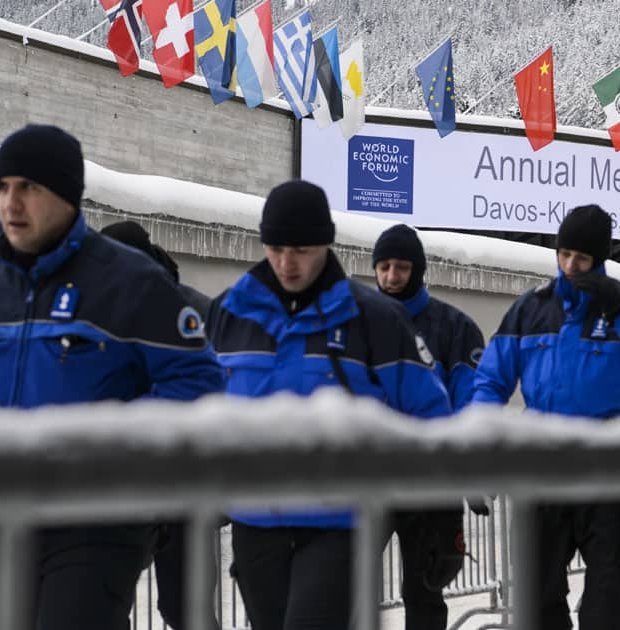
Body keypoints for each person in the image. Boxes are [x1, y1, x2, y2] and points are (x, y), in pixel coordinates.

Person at [0, 124, 226, 630]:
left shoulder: (130, 283)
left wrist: (115, 444)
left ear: (65, 195)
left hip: (97, 519)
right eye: (2, 188)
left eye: (29, 188)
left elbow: (197, 384)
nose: (11, 202)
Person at [205, 179, 452, 630]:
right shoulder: (230, 313)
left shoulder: (376, 320)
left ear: (325, 242)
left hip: (340, 521)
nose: (286, 262)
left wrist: (440, 509)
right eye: (276, 247)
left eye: (300, 249)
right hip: (255, 518)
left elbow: (428, 413)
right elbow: (197, 406)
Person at [472, 204, 620, 630]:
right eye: (564, 254)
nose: (570, 266)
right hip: (542, 472)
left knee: (605, 607)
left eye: (582, 259)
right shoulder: (530, 309)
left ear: (600, 259)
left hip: (608, 474)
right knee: (536, 604)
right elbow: (490, 383)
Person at [100, 219, 215, 630]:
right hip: (120, 488)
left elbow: (211, 390)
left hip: (183, 484)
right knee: (108, 608)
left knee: (186, 610)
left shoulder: (194, 311)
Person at [372, 223, 487, 630]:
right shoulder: (358, 321)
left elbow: (471, 402)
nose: (391, 277)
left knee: (425, 588)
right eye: (383, 266)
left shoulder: (454, 327)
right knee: (343, 585)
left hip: (430, 481)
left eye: (401, 267)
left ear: (418, 270)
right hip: (368, 478)